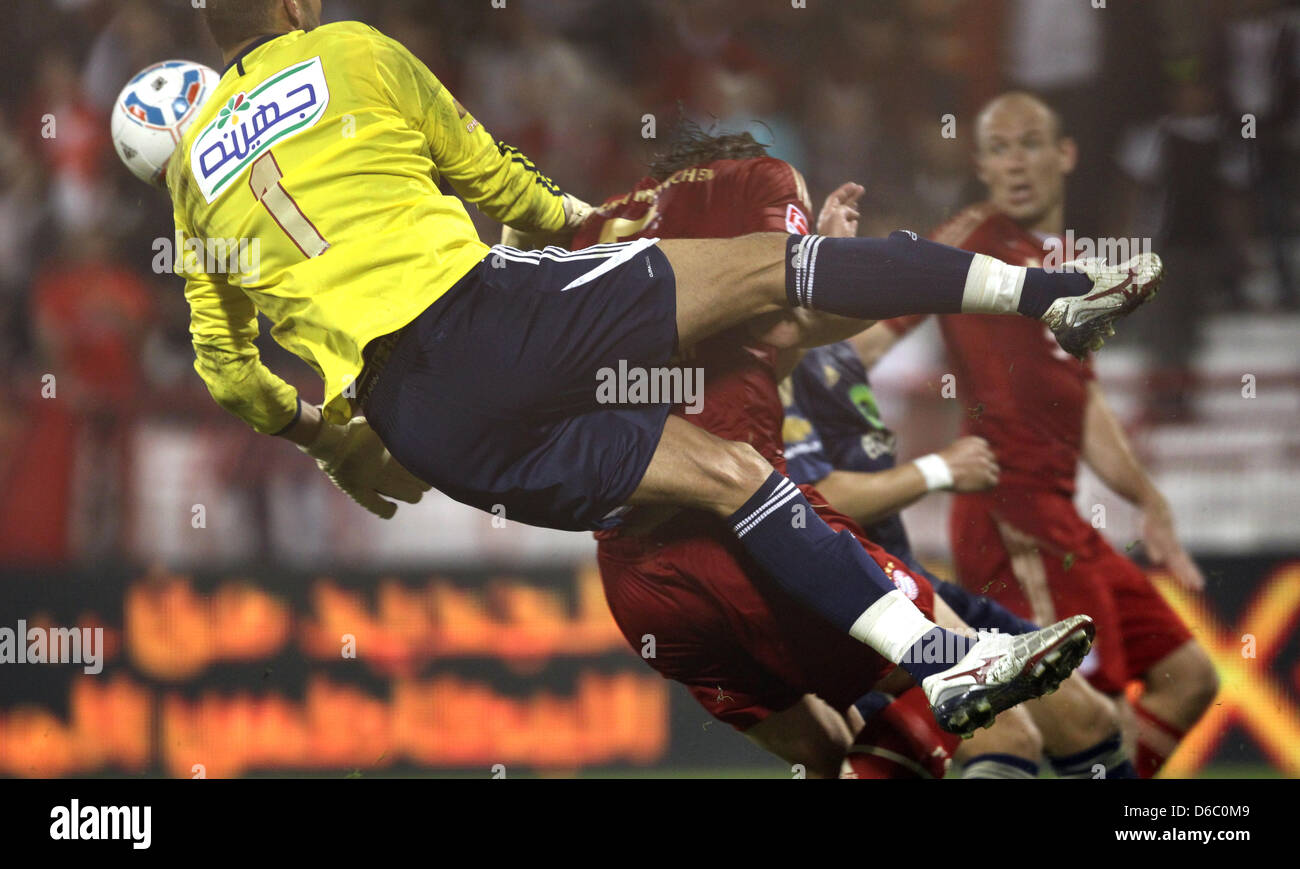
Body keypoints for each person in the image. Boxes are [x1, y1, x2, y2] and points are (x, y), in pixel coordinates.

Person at [172, 2, 1161, 732]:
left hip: (417, 422)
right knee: (774, 271)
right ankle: (1053, 298)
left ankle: (940, 661)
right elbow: (493, 178)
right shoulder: (348, 50)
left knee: (729, 475)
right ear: (297, 5)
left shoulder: (188, 171)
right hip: (480, 316)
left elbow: (227, 372)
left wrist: (323, 435)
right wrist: (586, 226)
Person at [865, 91, 1217, 774]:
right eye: (999, 149)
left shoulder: (1070, 261)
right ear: (982, 167)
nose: (1016, 162)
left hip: (1066, 522)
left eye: (1030, 144)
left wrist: (1150, 499)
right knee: (1087, 717)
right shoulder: (968, 241)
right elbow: (875, 335)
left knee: (1191, 674)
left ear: (1065, 155)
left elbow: (1082, 406)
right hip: (1011, 517)